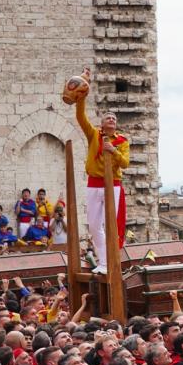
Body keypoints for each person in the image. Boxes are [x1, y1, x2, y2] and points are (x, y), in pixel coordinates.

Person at [73, 67, 130, 275]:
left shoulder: (122, 142)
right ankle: (104, 262)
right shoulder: (94, 135)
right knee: (94, 225)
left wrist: (113, 151)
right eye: (108, 118)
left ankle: (111, 262)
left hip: (112, 184)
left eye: (114, 119)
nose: (112, 120)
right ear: (102, 123)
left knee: (111, 225)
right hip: (94, 183)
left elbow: (125, 163)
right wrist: (82, 94)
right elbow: (81, 117)